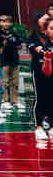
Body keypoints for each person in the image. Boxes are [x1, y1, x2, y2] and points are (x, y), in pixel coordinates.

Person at [30, 14, 53, 143]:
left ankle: (51, 126)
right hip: (41, 74)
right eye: (52, 28)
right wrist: (48, 59)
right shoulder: (44, 47)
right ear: (46, 31)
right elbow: (46, 71)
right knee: (41, 98)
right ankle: (39, 127)